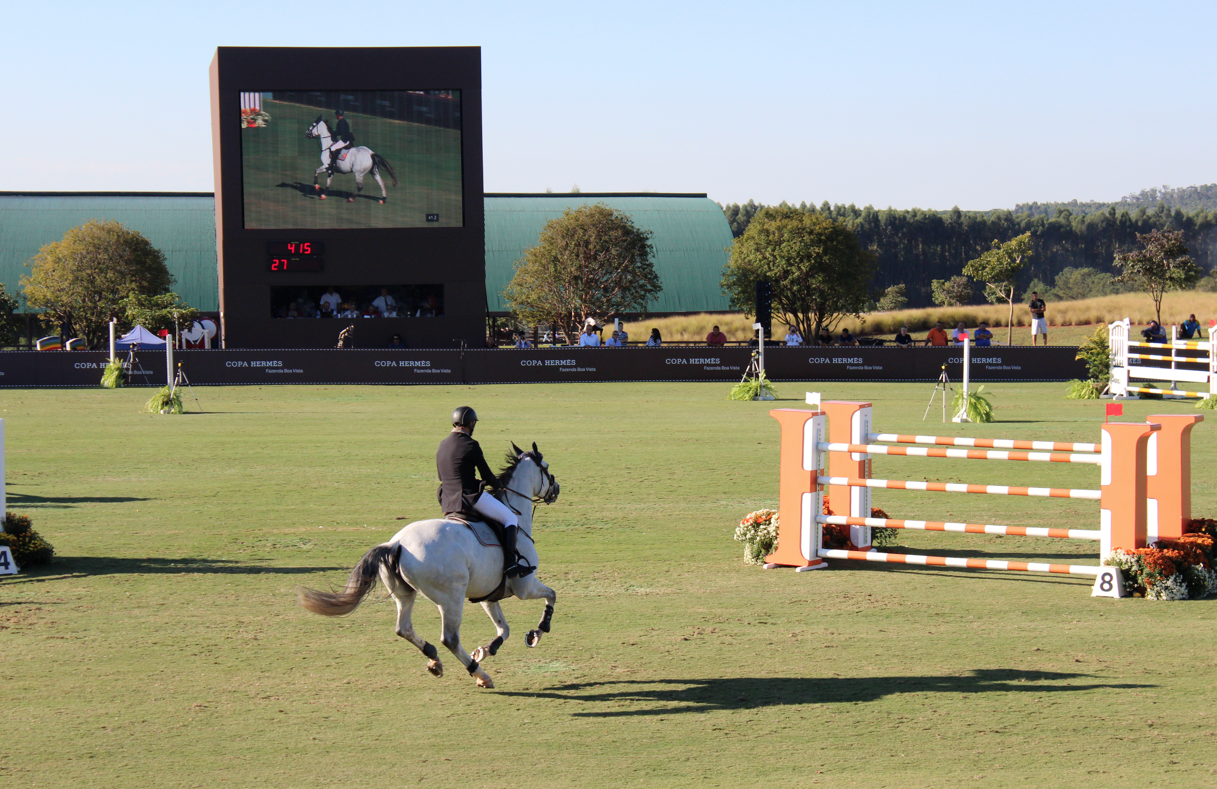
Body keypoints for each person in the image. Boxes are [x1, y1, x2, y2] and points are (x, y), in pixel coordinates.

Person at [437, 407, 533, 578]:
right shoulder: (471, 445)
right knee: (510, 518)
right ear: (471, 423)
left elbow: (442, 475)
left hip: (447, 500)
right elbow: (487, 475)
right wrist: (499, 485)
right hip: (469, 497)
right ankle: (511, 565)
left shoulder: (442, 444)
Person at [328, 108, 354, 173]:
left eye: (336, 115)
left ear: (338, 115)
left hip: (344, 140)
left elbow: (339, 132)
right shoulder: (344, 121)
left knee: (332, 148)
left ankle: (333, 164)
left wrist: (332, 133)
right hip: (347, 139)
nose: (336, 116)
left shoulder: (341, 122)